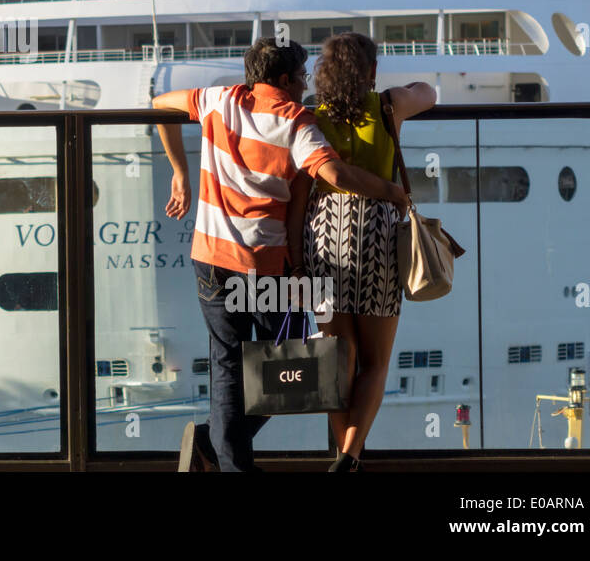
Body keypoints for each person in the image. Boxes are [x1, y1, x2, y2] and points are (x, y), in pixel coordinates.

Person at [155, 38, 408, 472]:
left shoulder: (219, 99)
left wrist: (180, 173)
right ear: (286, 80)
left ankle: (223, 452)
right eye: (302, 76)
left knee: (228, 366)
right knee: (297, 364)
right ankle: (216, 445)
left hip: (210, 258)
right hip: (266, 268)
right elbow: (334, 173)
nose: (305, 83)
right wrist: (392, 191)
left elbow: (161, 103)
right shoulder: (296, 121)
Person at [288, 32, 437, 471]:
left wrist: (297, 260)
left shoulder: (310, 119)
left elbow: (298, 199)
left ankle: (341, 455)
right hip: (377, 237)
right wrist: (392, 89)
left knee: (337, 365)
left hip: (323, 235)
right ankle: (351, 457)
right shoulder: (389, 106)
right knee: (374, 363)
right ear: (371, 72)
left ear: (324, 74)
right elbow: (429, 91)